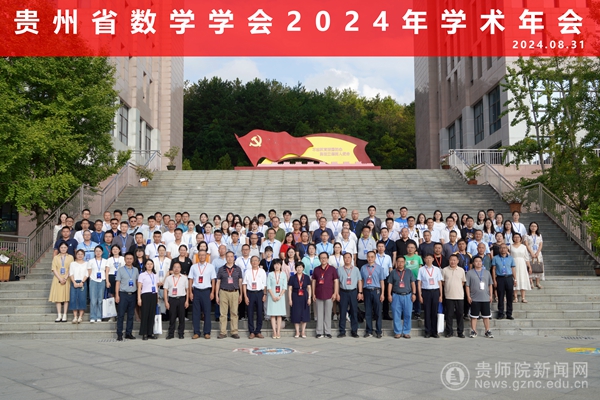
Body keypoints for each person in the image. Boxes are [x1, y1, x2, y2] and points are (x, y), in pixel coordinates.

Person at [188, 249, 216, 339]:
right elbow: (190, 280)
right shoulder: (193, 267)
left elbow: (213, 280)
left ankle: (207, 332)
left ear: (206, 256)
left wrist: (212, 292)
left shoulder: (210, 267)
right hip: (196, 291)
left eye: (203, 255)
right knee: (196, 313)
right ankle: (196, 332)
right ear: (198, 256)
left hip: (206, 291)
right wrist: (190, 292)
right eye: (200, 255)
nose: (202, 257)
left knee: (207, 312)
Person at [215, 252, 243, 339]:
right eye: (228, 257)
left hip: (234, 292)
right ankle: (223, 332)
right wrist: (216, 295)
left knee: (234, 313)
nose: (230, 258)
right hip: (223, 292)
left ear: (234, 258)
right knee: (223, 313)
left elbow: (240, 282)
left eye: (231, 256)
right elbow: (218, 282)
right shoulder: (221, 269)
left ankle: (234, 331)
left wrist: (241, 294)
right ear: (226, 258)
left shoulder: (238, 269)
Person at [311, 252, 339, 338]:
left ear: (327, 259)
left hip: (329, 294)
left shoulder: (332, 269)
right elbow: (313, 282)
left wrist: (335, 293)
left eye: (325, 258)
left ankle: (327, 332)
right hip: (318, 294)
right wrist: (313, 294)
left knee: (328, 313)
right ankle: (319, 332)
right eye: (321, 258)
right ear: (319, 259)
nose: (323, 259)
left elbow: (336, 281)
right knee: (319, 314)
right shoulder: (316, 269)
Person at [387, 257, 416, 338]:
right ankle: (397, 332)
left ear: (405, 262)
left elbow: (413, 283)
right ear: (396, 262)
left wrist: (414, 293)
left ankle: (406, 332)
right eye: (399, 261)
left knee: (408, 314)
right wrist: (389, 295)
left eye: (402, 261)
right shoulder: (393, 272)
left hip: (407, 295)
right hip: (396, 295)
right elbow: (390, 284)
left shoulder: (409, 272)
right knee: (396, 314)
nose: (400, 263)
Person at [466, 256, 494, 338]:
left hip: (485, 298)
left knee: (486, 316)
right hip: (474, 298)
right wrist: (468, 296)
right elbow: (467, 286)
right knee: (474, 316)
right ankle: (473, 331)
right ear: (473, 263)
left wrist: (491, 295)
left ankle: (487, 330)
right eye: (476, 261)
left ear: (482, 263)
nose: (478, 263)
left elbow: (490, 285)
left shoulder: (487, 272)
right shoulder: (469, 273)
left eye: (480, 261)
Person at [336, 252, 363, 338]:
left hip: (353, 292)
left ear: (351, 259)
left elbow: (359, 281)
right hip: (343, 292)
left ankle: (354, 331)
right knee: (342, 312)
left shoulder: (356, 269)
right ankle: (342, 331)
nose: (347, 259)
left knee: (354, 311)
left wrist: (360, 292)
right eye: (345, 257)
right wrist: (337, 293)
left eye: (349, 257)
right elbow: (337, 282)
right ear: (343, 259)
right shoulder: (339, 269)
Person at [417, 254, 443, 338]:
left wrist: (441, 295)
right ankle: (427, 331)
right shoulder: (421, 269)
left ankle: (434, 331)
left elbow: (439, 282)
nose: (428, 260)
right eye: (427, 258)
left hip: (435, 291)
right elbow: (419, 283)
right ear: (424, 259)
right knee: (427, 312)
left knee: (434, 312)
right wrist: (420, 295)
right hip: (426, 291)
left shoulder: (437, 269)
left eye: (430, 258)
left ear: (433, 259)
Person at [115, 252, 139, 341]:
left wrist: (138, 294)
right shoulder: (120, 270)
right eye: (127, 259)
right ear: (124, 259)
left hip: (133, 294)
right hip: (123, 294)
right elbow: (118, 283)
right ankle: (119, 334)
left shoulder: (136, 270)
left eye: (130, 259)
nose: (129, 260)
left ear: (133, 260)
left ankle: (129, 333)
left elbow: (137, 282)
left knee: (131, 315)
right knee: (121, 315)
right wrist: (117, 295)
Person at [361, 251, 385, 338]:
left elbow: (382, 281)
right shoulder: (363, 268)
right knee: (368, 312)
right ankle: (369, 331)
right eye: (368, 257)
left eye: (372, 257)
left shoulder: (379, 268)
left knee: (378, 312)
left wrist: (382, 294)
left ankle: (379, 331)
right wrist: (361, 292)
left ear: (375, 258)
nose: (370, 258)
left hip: (376, 291)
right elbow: (362, 280)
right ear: (366, 258)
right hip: (366, 290)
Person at [441, 255, 467, 338]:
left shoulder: (461, 270)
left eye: (454, 260)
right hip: (449, 295)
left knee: (460, 314)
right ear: (449, 260)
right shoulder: (445, 270)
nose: (453, 262)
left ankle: (460, 332)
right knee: (449, 315)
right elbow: (443, 282)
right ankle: (449, 332)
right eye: (451, 260)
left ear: (458, 261)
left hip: (459, 296)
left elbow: (463, 282)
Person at [243, 256, 267, 339]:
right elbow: (244, 284)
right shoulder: (247, 272)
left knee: (260, 312)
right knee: (250, 313)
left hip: (259, 293)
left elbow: (264, 284)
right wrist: (245, 296)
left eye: (256, 260)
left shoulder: (262, 271)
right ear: (250, 262)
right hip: (250, 293)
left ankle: (258, 331)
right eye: (253, 261)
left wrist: (265, 294)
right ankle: (251, 332)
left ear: (259, 262)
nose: (254, 262)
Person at [163, 261, 189, 339]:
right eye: (175, 267)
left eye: (178, 267)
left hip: (181, 299)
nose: (176, 269)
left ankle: (181, 333)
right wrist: (166, 302)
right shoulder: (168, 278)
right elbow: (165, 290)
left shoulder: (184, 278)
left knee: (181, 317)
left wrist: (187, 301)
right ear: (172, 268)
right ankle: (171, 334)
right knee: (172, 317)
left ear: (180, 268)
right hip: (172, 299)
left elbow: (187, 289)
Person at [49, 242, 73, 322]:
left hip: (67, 278)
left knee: (66, 297)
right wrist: (60, 278)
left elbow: (71, 268)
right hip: (57, 279)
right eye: (61, 247)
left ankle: (65, 314)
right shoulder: (56, 257)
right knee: (58, 297)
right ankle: (59, 315)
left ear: (67, 248)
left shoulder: (70, 257)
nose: (63, 249)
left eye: (65, 247)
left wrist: (65, 278)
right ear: (59, 248)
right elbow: (54, 269)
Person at [492, 244, 516, 320]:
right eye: (501, 248)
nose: (503, 249)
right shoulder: (495, 258)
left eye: (505, 248)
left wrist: (515, 279)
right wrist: (494, 280)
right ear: (499, 249)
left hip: (509, 278)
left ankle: (509, 313)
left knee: (509, 297)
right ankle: (501, 313)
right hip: (500, 278)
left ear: (507, 249)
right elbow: (493, 269)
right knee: (500, 296)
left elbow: (513, 269)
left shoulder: (511, 258)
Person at [288, 262, 312, 338]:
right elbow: (290, 289)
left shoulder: (306, 277)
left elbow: (309, 288)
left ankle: (303, 331)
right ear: (295, 268)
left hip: (304, 296)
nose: (299, 269)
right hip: (295, 296)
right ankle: (297, 331)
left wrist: (309, 298)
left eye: (301, 267)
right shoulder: (292, 277)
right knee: (296, 313)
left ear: (303, 268)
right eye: (298, 267)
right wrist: (290, 299)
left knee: (304, 313)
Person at [138, 259, 159, 340]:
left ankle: (150, 332)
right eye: (148, 264)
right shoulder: (142, 275)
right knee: (145, 314)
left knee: (152, 314)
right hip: (145, 295)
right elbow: (139, 287)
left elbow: (156, 287)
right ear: (145, 265)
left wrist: (157, 297)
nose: (149, 265)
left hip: (153, 295)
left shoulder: (155, 275)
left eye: (151, 264)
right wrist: (139, 298)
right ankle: (144, 333)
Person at [267, 259, 287, 338]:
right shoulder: (270, 274)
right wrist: (273, 296)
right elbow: (268, 286)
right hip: (272, 296)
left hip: (280, 297)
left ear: (281, 265)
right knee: (272, 315)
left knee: (279, 315)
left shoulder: (283, 274)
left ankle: (278, 332)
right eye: (275, 264)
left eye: (278, 264)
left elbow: (284, 287)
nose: (277, 266)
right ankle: (274, 332)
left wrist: (279, 296)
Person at [87, 246, 108, 323]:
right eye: (96, 251)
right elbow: (89, 272)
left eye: (99, 251)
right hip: (93, 281)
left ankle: (99, 316)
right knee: (93, 299)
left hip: (102, 281)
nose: (98, 253)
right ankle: (93, 316)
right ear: (94, 252)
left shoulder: (105, 261)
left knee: (100, 300)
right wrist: (91, 279)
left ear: (102, 252)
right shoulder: (91, 261)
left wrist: (107, 281)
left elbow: (106, 272)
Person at [510, 233, 532, 303]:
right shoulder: (510, 246)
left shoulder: (524, 247)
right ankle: (515, 297)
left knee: (522, 279)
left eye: (518, 237)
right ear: (513, 238)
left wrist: (529, 267)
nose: (516, 238)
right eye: (515, 237)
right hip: (513, 264)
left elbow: (526, 258)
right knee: (515, 279)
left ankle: (523, 297)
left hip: (522, 264)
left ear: (520, 238)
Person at [404, 243, 423, 319]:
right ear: (406, 248)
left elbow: (421, 269)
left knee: (417, 295)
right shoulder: (404, 257)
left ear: (415, 249)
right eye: (409, 247)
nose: (410, 249)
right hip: (406, 280)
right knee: (407, 296)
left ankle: (417, 312)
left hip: (416, 279)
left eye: (412, 247)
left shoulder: (418, 257)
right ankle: (407, 311)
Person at [68, 249, 88, 323]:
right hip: (74, 281)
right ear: (76, 255)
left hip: (83, 282)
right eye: (78, 254)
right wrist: (74, 282)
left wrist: (82, 282)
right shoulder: (72, 264)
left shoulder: (87, 263)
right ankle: (75, 316)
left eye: (81, 254)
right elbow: (71, 273)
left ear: (84, 255)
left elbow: (87, 274)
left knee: (82, 298)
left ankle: (80, 316)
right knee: (73, 298)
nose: (80, 255)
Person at [525, 222, 545, 289]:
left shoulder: (539, 235)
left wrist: (537, 252)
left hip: (538, 253)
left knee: (538, 266)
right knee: (530, 266)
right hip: (529, 252)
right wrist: (531, 253)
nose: (533, 227)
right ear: (530, 227)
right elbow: (526, 244)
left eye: (535, 226)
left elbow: (541, 244)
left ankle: (537, 282)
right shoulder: (526, 235)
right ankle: (531, 282)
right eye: (532, 226)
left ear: (537, 227)